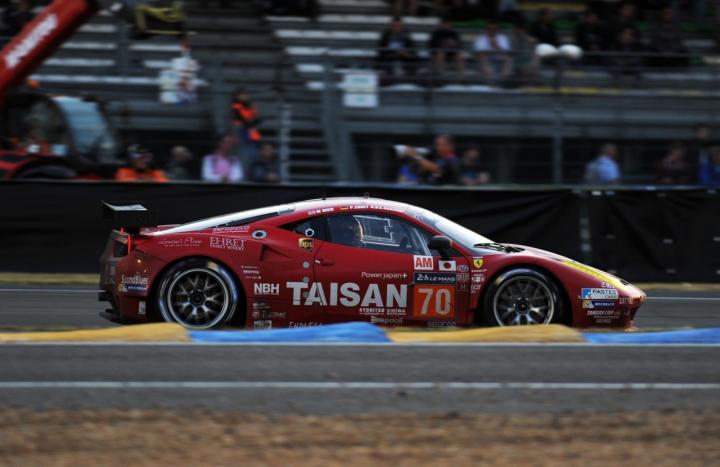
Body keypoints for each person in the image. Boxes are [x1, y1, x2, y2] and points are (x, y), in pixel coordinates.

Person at [474, 21, 512, 85]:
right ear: (486, 30)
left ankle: (504, 80)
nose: (492, 30)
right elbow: (478, 53)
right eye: (489, 28)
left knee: (508, 58)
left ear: (497, 30)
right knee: (482, 57)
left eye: (494, 29)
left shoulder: (503, 38)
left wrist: (496, 46)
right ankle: (491, 81)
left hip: (499, 56)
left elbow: (507, 52)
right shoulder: (480, 39)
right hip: (486, 57)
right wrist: (489, 49)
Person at [230, 88, 261, 163]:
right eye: (242, 94)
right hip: (242, 132)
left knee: (254, 153)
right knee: (244, 153)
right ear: (237, 96)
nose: (244, 96)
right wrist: (251, 120)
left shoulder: (250, 106)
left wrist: (252, 120)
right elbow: (241, 118)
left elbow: (258, 119)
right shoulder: (236, 106)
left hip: (252, 133)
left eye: (245, 94)